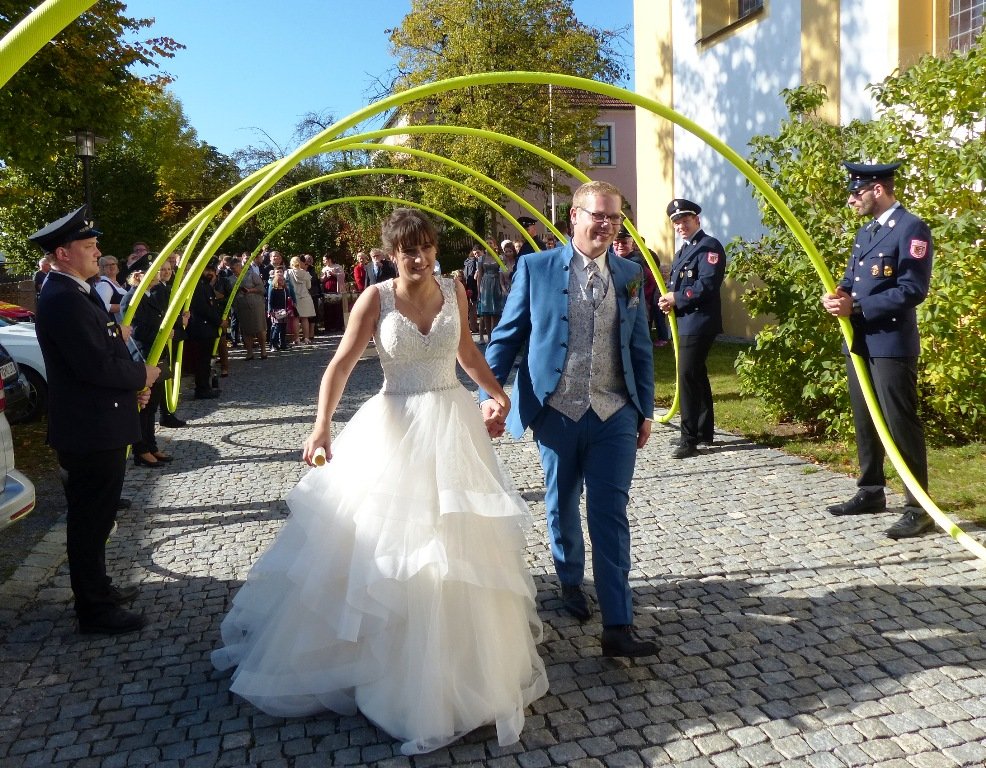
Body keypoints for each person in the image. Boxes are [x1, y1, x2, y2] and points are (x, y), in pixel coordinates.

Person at [212, 208, 547, 754]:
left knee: (454, 543)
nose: (420, 258)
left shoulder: (453, 290)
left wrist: (497, 390)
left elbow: (466, 353)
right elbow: (341, 364)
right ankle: (384, 665)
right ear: (392, 254)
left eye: (427, 248)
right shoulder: (375, 299)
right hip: (393, 426)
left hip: (451, 423)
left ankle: (462, 667)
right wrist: (321, 426)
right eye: (409, 250)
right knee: (389, 546)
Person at [479, 181, 657, 658]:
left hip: (615, 411)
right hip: (556, 410)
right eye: (598, 215)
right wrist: (489, 394)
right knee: (560, 500)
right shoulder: (535, 268)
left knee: (610, 513)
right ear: (573, 217)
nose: (606, 225)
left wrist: (646, 409)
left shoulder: (630, 274)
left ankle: (618, 625)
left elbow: (639, 347)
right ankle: (570, 579)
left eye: (615, 218)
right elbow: (506, 337)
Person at [30, 206, 160, 635]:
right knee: (89, 521)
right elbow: (94, 366)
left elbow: (104, 349)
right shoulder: (64, 297)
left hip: (98, 422)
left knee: (98, 518)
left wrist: (131, 386)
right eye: (89, 247)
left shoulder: (76, 290)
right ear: (64, 253)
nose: (98, 252)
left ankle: (98, 590)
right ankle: (94, 609)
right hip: (89, 429)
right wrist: (143, 376)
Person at [822, 161, 935, 539]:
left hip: (890, 343)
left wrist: (859, 307)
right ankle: (870, 490)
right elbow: (851, 279)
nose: (851, 199)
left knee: (899, 422)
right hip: (861, 340)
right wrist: (839, 296)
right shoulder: (866, 233)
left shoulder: (911, 229)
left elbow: (912, 289)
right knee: (865, 417)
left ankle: (917, 507)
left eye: (856, 193)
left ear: (878, 189)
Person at [658, 198, 726, 459]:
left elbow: (707, 285)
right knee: (696, 375)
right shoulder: (683, 251)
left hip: (699, 322)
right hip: (687, 320)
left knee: (686, 375)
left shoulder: (709, 247)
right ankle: (703, 430)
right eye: (676, 222)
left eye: (685, 220)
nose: (680, 226)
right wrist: (669, 301)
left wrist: (677, 298)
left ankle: (689, 439)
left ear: (697, 220)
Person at [187, 260, 223, 399]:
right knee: (202, 361)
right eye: (206, 270)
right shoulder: (197, 286)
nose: (209, 273)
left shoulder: (205, 286)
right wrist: (219, 321)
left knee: (206, 360)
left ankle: (205, 387)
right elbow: (203, 308)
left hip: (207, 329)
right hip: (202, 329)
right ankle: (202, 389)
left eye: (211, 270)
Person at [476, 244, 505, 343]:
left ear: (494, 245)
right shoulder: (481, 258)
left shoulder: (499, 257)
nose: (489, 245)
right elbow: (480, 274)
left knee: (496, 312)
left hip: (496, 283)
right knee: (486, 313)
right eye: (486, 243)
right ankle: (488, 337)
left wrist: (502, 286)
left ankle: (495, 335)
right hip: (486, 284)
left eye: (490, 243)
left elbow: (502, 272)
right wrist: (479, 290)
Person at [287, 256, 317, 344]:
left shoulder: (288, 272)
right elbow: (309, 286)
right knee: (305, 318)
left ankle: (296, 338)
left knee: (295, 318)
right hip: (305, 297)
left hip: (294, 298)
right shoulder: (305, 273)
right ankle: (306, 338)